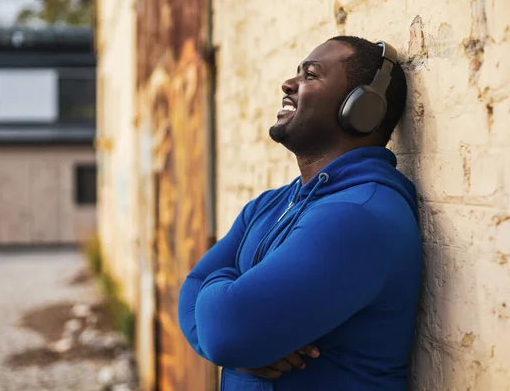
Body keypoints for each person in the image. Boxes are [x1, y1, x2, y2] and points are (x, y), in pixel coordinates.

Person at [178, 35, 422, 391]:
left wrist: (231, 315)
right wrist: (241, 342)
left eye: (311, 75)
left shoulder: (359, 215)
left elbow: (225, 329)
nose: (288, 84)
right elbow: (192, 289)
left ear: (362, 107)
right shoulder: (269, 205)